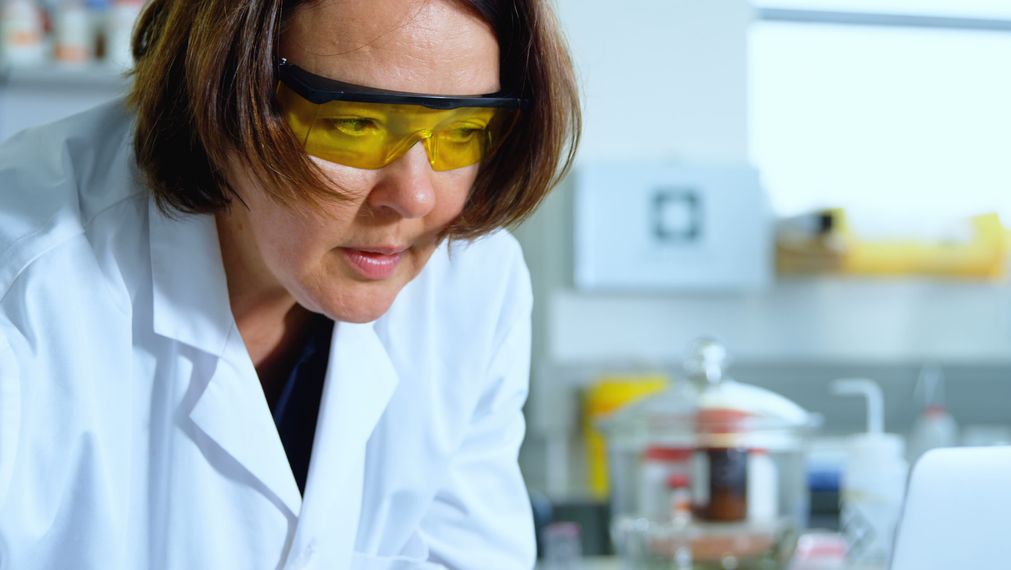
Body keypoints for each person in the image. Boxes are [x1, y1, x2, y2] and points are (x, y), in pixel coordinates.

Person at [0, 0, 580, 567]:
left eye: (464, 130)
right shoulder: (25, 283)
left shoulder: (476, 282)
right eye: (355, 124)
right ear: (223, 92)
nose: (416, 199)